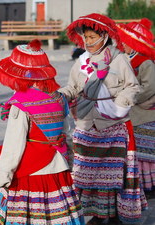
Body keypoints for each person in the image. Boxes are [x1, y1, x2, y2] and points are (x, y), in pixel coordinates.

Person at [59, 13, 148, 225]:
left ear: (104, 37)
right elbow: (73, 87)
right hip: (86, 124)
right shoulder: (81, 62)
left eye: (91, 37)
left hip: (113, 125)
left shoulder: (118, 60)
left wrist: (120, 106)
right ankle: (97, 215)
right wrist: (59, 95)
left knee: (113, 174)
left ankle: (113, 214)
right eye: (85, 38)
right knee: (87, 174)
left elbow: (132, 86)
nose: (87, 42)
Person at [0, 39, 84, 225]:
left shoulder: (21, 105)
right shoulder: (58, 97)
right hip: (57, 168)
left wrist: (5, 175)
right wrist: (68, 158)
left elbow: (14, 145)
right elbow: (67, 132)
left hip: (30, 172)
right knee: (58, 214)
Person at [118, 18, 155, 196]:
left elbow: (149, 87)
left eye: (125, 42)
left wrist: (130, 97)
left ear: (134, 43)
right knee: (136, 151)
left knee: (146, 152)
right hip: (130, 113)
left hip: (143, 113)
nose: (122, 45)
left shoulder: (145, 63)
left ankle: (149, 185)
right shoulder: (125, 61)